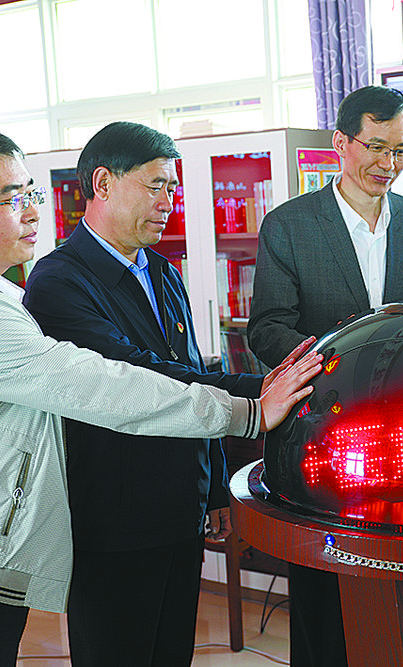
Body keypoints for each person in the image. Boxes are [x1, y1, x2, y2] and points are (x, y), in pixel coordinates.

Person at [0, 121, 322, 667]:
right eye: (13, 199)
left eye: (33, 195)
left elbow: (173, 369)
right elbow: (107, 384)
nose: (33, 214)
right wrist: (249, 411)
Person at [21, 122, 315, 666]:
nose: (168, 202)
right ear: (103, 184)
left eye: (173, 187)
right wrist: (260, 393)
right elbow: (140, 375)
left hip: (180, 505)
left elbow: (191, 373)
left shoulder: (162, 270)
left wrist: (213, 489)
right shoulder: (57, 281)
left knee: (172, 651)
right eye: (155, 185)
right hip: (112, 517)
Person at [247, 84, 403, 667]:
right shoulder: (290, 224)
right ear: (341, 143)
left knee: (391, 588)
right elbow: (267, 329)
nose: (388, 164)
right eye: (376, 147)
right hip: (320, 431)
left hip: (395, 435)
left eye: (400, 151)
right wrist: (338, 367)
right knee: (323, 596)